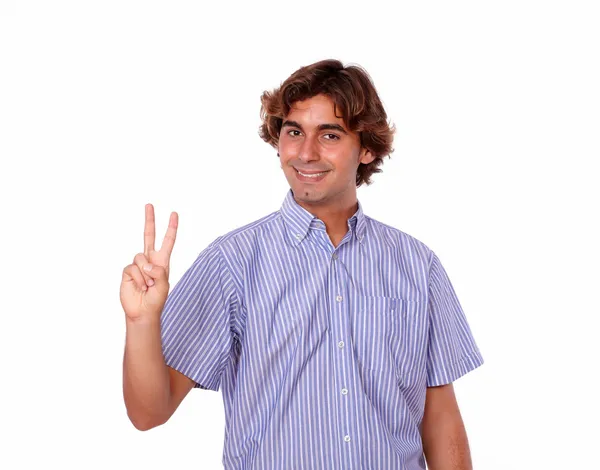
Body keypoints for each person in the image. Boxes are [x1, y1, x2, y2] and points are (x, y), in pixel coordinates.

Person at [121, 58, 484, 470]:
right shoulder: (231, 264)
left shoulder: (419, 267)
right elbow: (148, 413)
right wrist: (141, 323)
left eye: (329, 134)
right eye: (294, 132)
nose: (306, 153)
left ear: (366, 148)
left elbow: (441, 420)